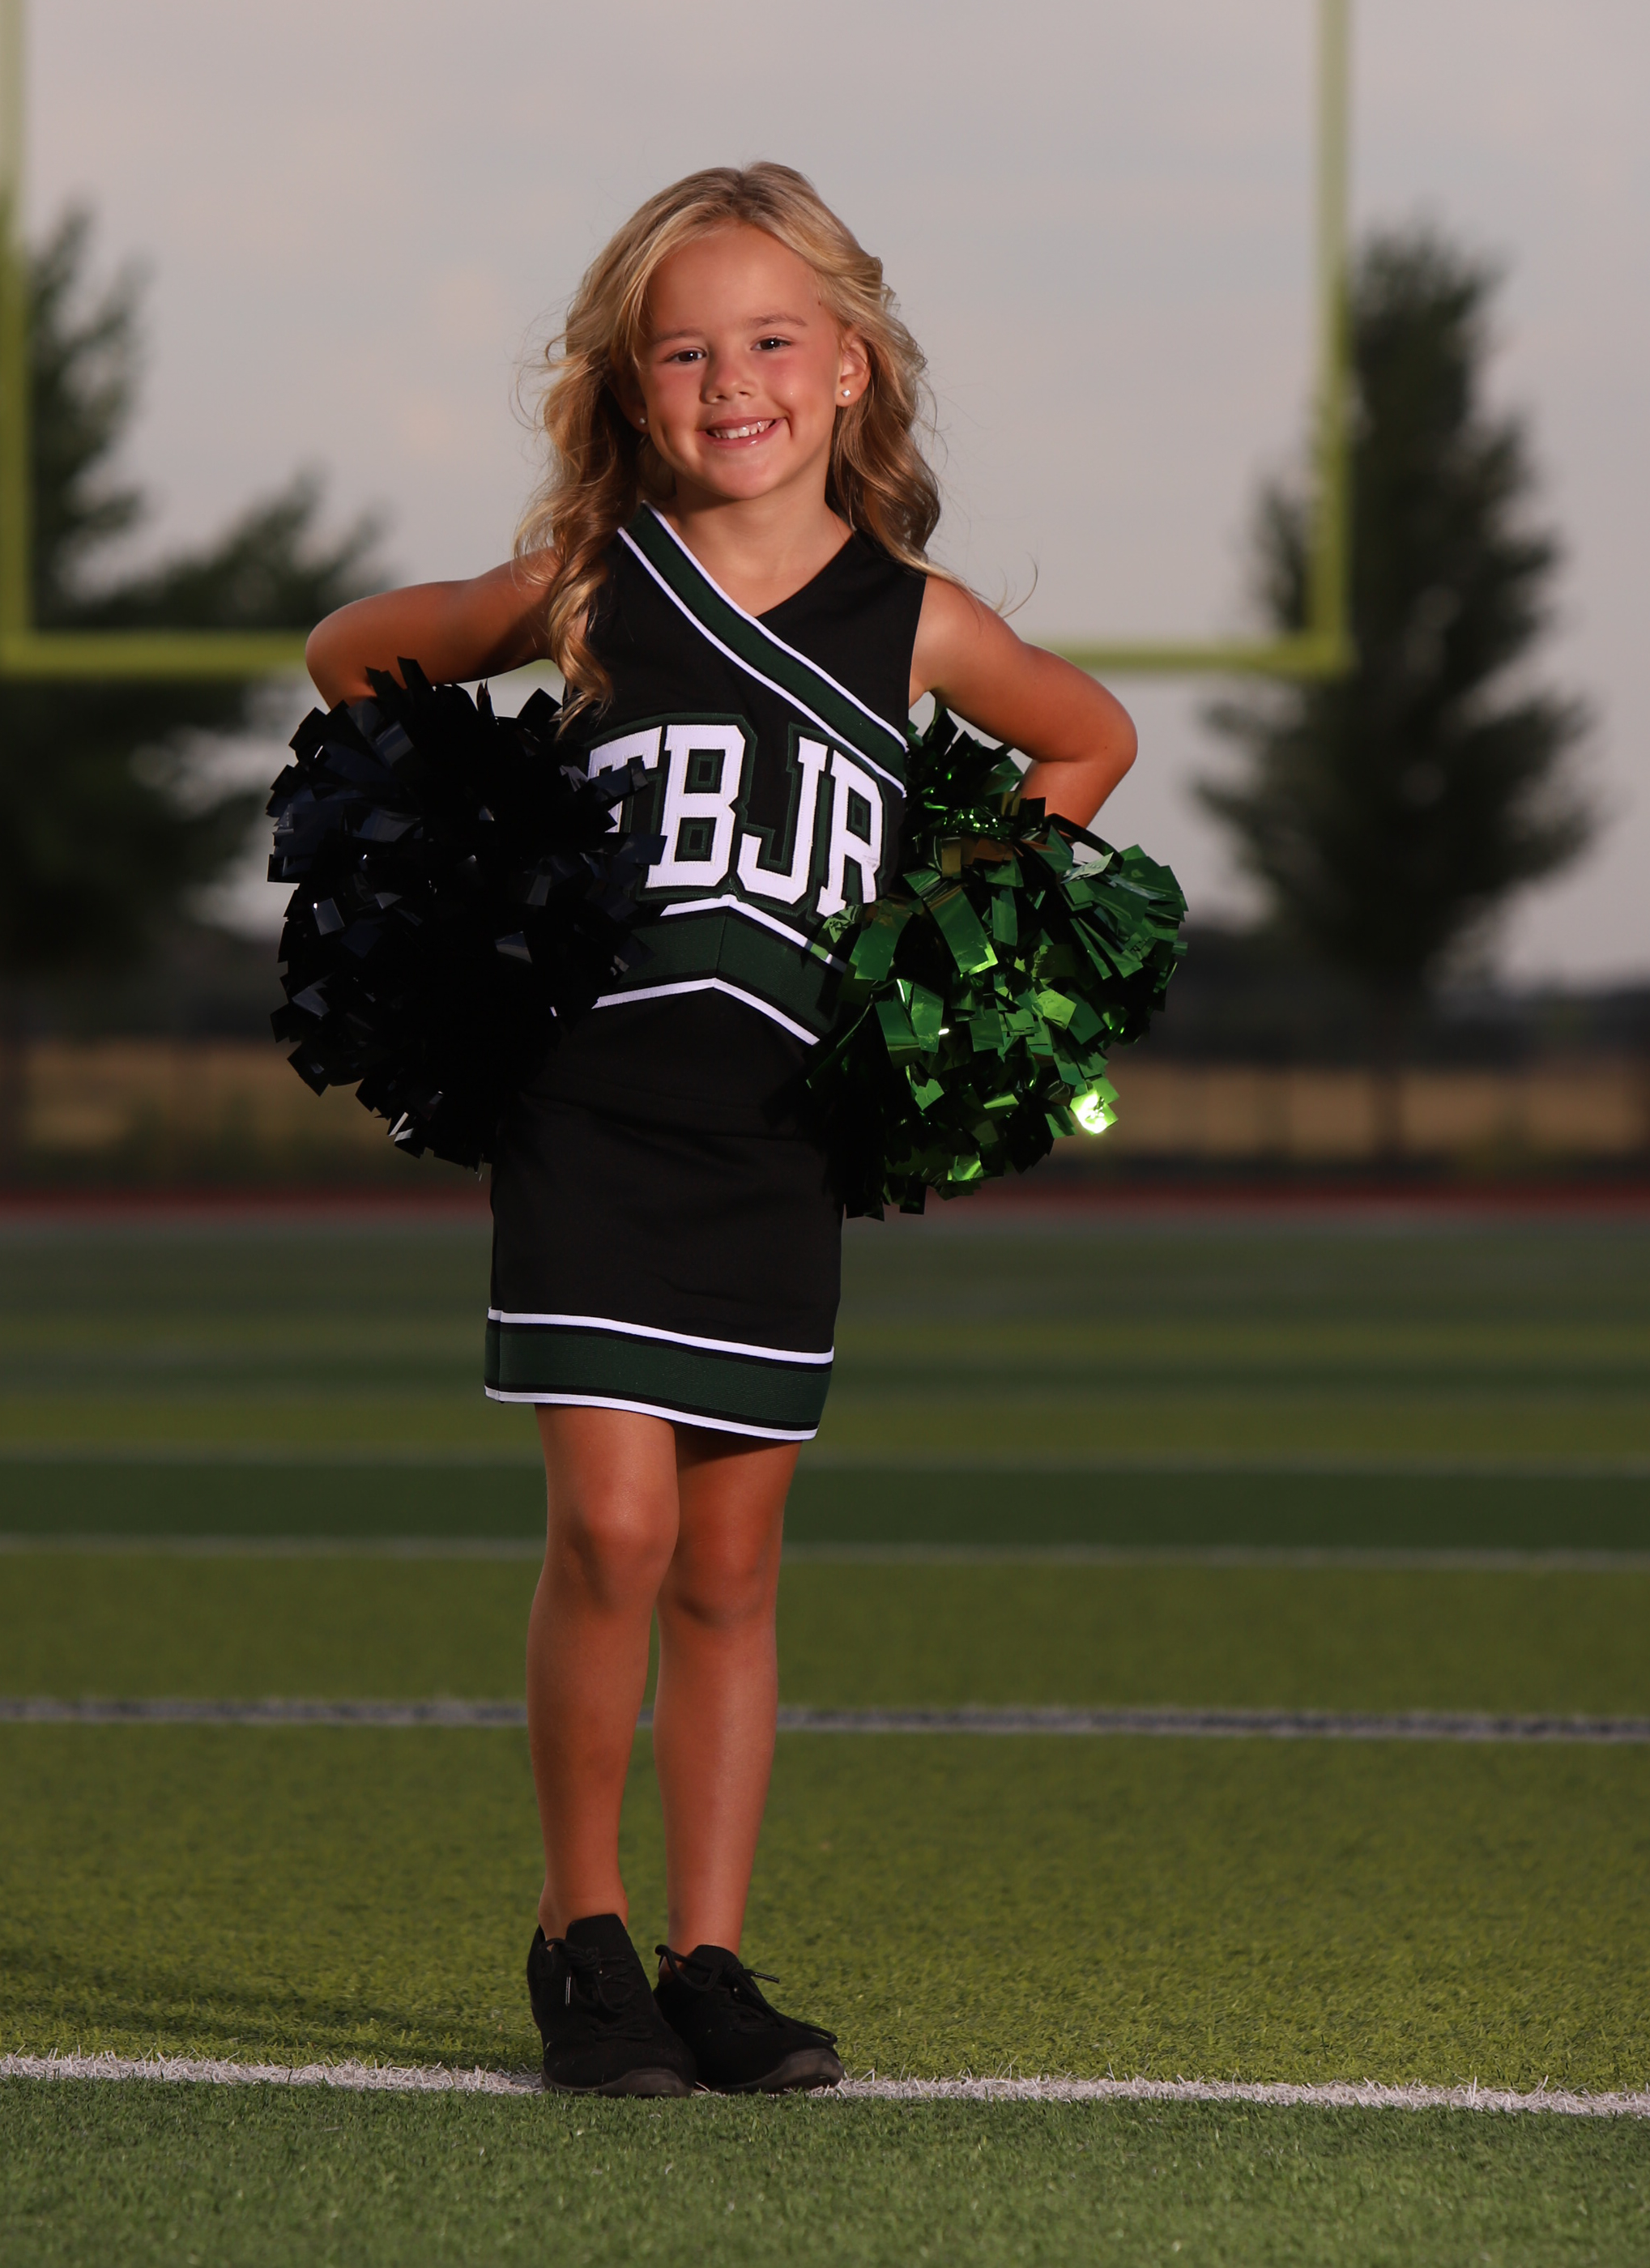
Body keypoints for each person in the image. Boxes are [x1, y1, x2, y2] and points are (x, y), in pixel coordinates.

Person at [305, 163, 1136, 2097]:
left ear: (849, 366)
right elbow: (355, 652)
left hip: (777, 1132)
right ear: (631, 386)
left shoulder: (913, 619)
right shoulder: (596, 585)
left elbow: (1089, 735)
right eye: (682, 353)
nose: (729, 380)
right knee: (613, 1524)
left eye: (769, 340)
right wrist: (462, 858)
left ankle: (709, 1957)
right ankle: (578, 1930)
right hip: (592, 1110)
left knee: (732, 1566)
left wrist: (950, 920)